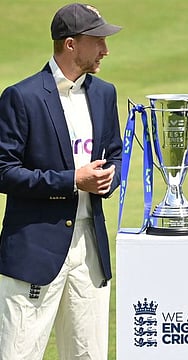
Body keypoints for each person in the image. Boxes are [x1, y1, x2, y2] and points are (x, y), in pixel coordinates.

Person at [0, 3, 122, 359]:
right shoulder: (20, 97)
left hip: (90, 251)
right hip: (34, 249)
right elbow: (4, 171)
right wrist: (73, 181)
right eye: (97, 40)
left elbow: (114, 153)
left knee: (89, 354)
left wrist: (107, 179)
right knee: (18, 354)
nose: (105, 49)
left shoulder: (104, 93)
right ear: (70, 44)